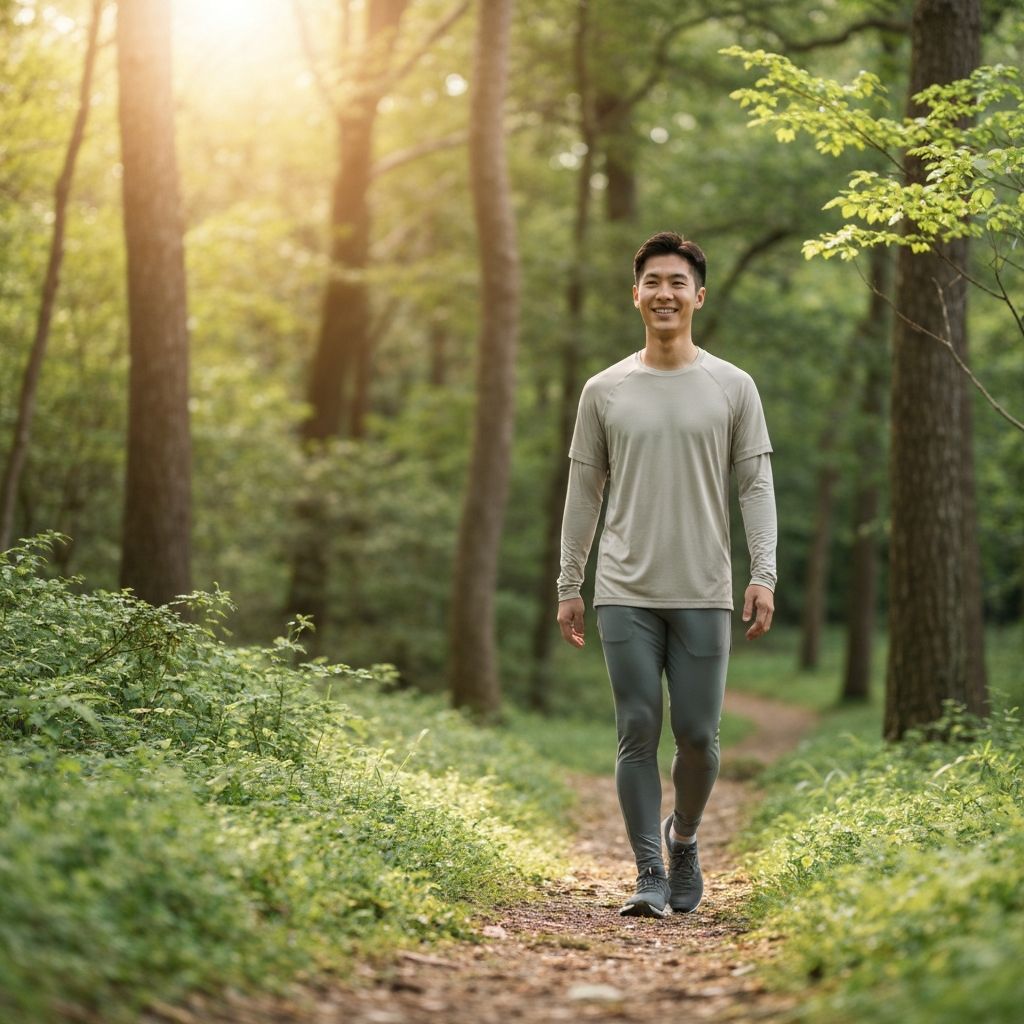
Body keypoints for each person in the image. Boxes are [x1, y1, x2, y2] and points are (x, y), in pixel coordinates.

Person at [555, 231, 777, 918]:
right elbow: (583, 491)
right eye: (653, 281)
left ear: (698, 296)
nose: (664, 293)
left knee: (701, 738)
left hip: (705, 589)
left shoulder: (732, 386)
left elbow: (755, 486)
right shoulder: (605, 390)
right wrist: (571, 581)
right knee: (637, 726)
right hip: (624, 590)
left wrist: (762, 571)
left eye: (677, 282)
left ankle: (683, 839)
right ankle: (649, 874)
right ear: (636, 294)